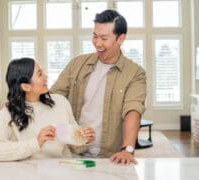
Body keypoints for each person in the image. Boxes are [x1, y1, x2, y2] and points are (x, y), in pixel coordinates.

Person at [50, 9, 146, 165]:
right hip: (72, 153)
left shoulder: (135, 73)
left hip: (109, 158)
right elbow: (53, 97)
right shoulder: (77, 64)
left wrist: (127, 150)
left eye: (104, 38)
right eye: (95, 36)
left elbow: (133, 110)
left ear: (121, 38)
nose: (97, 43)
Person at [0, 57, 95, 162]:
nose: (46, 76)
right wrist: (36, 142)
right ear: (26, 87)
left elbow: (74, 146)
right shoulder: (8, 113)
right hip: (29, 173)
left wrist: (84, 138)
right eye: (39, 74)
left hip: (63, 169)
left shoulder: (60, 102)